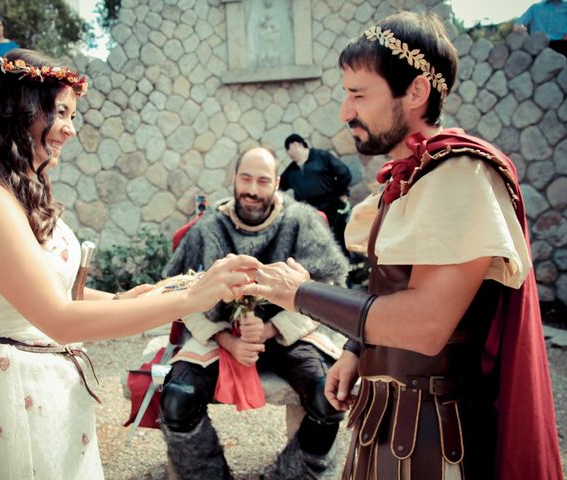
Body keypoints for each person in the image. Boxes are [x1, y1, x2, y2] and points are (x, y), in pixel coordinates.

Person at [241, 12, 563, 480]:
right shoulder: (413, 176)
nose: (345, 111)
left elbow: (427, 324)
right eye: (345, 93)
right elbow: (394, 285)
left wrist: (300, 293)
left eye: (358, 93)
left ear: (415, 92)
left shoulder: (461, 175)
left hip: (439, 437)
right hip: (386, 422)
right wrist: (355, 349)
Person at [0, 48, 257, 480]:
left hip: (40, 384)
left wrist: (147, 293)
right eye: (61, 112)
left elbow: (55, 290)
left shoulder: (16, 190)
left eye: (72, 115)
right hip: (3, 391)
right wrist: (192, 298)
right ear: (19, 109)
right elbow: (59, 319)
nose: (71, 129)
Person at [159, 147, 351, 479]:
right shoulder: (208, 229)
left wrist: (272, 329)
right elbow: (180, 295)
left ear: (276, 183)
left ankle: (292, 475)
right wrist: (225, 338)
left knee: (329, 397)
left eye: (263, 181)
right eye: (245, 178)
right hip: (216, 336)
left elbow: (327, 292)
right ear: (234, 179)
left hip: (289, 334)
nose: (252, 189)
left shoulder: (300, 222)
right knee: (178, 400)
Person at [281, 133, 352, 252]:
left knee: (341, 238)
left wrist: (342, 193)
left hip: (333, 207)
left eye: (287, 149)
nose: (288, 153)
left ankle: (353, 265)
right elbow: (278, 187)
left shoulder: (321, 156)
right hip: (311, 213)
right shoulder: (291, 170)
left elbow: (344, 172)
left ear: (295, 144)